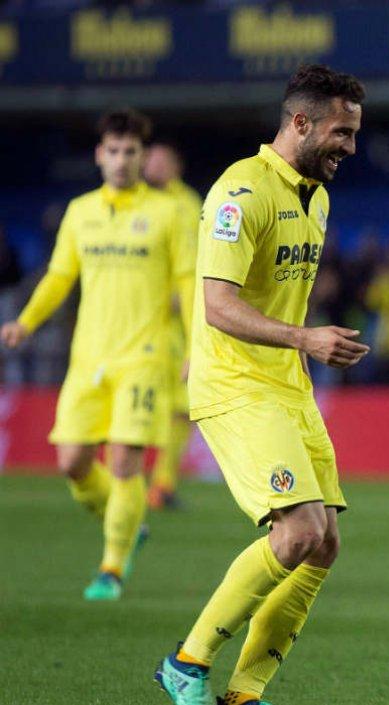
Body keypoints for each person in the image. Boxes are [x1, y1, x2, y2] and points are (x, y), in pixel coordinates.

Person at [153, 64, 370, 705]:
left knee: (324, 544)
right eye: (340, 132)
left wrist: (304, 349)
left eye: (354, 135)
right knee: (298, 532)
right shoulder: (239, 193)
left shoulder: (317, 197)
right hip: (236, 382)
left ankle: (245, 693)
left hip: (288, 386)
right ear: (298, 123)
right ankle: (186, 662)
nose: (349, 148)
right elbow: (217, 304)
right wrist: (307, 338)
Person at [0, 109, 193, 601]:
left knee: (126, 462)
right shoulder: (81, 211)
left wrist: (196, 346)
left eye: (131, 152)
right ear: (99, 155)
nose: (122, 160)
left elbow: (190, 284)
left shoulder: (171, 212)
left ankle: (112, 566)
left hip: (145, 357)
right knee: (72, 463)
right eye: (114, 151)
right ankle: (128, 524)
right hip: (89, 357)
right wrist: (26, 320)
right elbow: (60, 276)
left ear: (143, 157)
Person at [143, 141, 203, 510]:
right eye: (150, 159)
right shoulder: (135, 201)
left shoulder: (189, 205)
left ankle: (162, 483)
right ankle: (127, 480)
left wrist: (187, 293)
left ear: (176, 166)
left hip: (179, 322)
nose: (154, 165)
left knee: (183, 406)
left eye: (162, 159)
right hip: (140, 321)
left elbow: (198, 256)